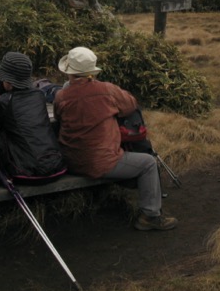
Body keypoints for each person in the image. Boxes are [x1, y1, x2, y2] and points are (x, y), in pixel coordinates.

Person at [53, 46, 177, 231]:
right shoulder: (107, 90)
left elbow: (58, 117)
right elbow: (130, 105)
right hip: (100, 163)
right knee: (149, 163)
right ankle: (150, 216)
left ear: (69, 72)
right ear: (92, 72)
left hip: (70, 160)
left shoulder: (61, 96)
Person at [0, 52, 65, 181]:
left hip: (25, 172)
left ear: (8, 81)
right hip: (56, 166)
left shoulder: (3, 102)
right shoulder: (39, 95)